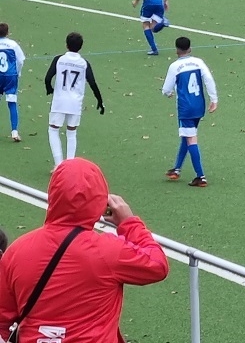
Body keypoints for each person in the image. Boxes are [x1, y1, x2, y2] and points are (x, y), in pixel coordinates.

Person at [0, 157, 169, 342]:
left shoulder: (16, 251)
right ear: (100, 200)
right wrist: (129, 223)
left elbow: (3, 319)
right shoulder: (107, 251)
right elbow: (157, 265)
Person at [162, 37, 219, 186]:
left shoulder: (175, 66)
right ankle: (176, 169)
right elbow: (209, 79)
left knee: (191, 139)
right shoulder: (198, 62)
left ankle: (201, 176)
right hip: (199, 106)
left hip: (185, 108)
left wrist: (168, 93)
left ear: (176, 50)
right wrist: (214, 99)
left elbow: (166, 89)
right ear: (190, 49)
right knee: (187, 136)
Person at [44, 32, 104, 169]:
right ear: (81, 47)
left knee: (53, 129)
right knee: (71, 132)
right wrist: (99, 100)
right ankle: (70, 165)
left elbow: (48, 78)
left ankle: (59, 164)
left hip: (59, 101)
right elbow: (92, 83)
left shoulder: (59, 59)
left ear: (66, 45)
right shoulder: (84, 63)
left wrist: (49, 88)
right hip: (75, 103)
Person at [0, 23, 26, 142]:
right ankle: (14, 132)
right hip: (10, 76)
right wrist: (18, 72)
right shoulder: (13, 44)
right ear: (7, 32)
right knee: (12, 102)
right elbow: (21, 60)